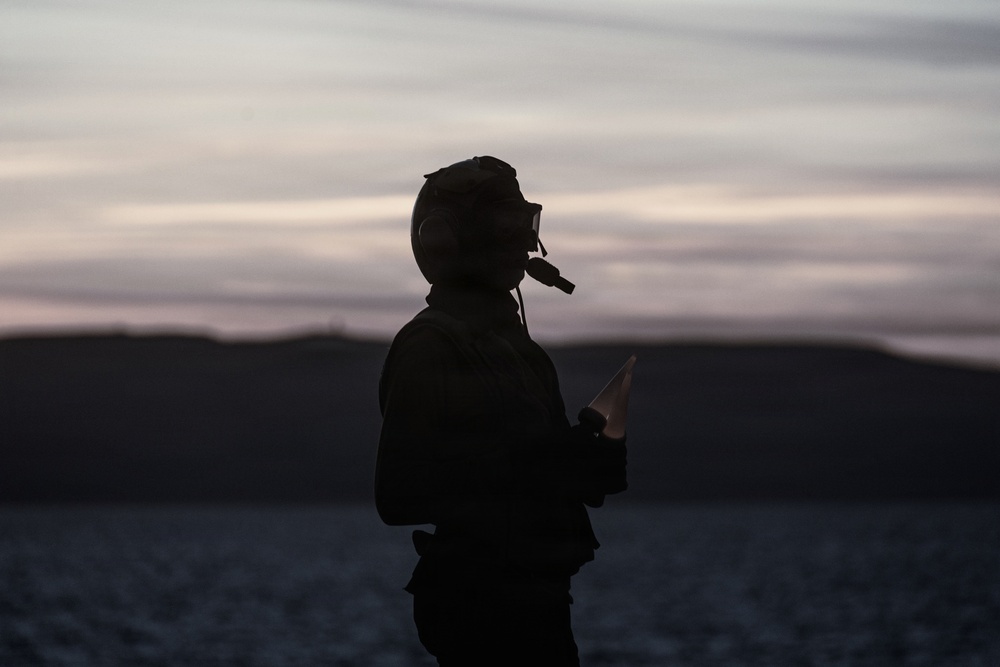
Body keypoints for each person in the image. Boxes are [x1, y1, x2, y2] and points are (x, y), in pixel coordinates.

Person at [375, 156, 627, 666]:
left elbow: (529, 464)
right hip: (481, 609)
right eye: (504, 226)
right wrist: (534, 467)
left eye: (524, 224)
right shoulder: (431, 345)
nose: (522, 242)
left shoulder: (518, 350)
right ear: (446, 239)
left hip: (538, 601)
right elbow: (398, 497)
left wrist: (580, 465)